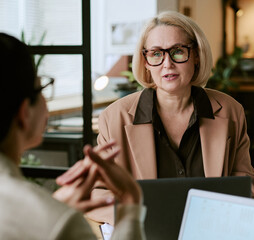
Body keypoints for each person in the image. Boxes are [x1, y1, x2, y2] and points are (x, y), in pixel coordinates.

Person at [88, 11, 254, 224]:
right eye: (156, 54)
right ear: (146, 62)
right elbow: (96, 194)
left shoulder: (230, 111)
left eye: (178, 51)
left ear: (196, 56)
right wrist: (144, 217)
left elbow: (245, 181)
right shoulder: (114, 118)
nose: (167, 64)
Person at [0, 33, 146, 239]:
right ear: (24, 112)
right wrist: (131, 204)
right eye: (41, 87)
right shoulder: (58, 223)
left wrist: (54, 207)